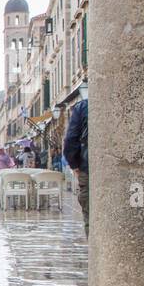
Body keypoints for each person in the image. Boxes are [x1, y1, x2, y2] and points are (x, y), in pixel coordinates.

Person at [63, 98, 89, 234]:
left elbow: (71, 139)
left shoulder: (83, 106)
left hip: (87, 166)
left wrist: (75, 165)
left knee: (90, 215)